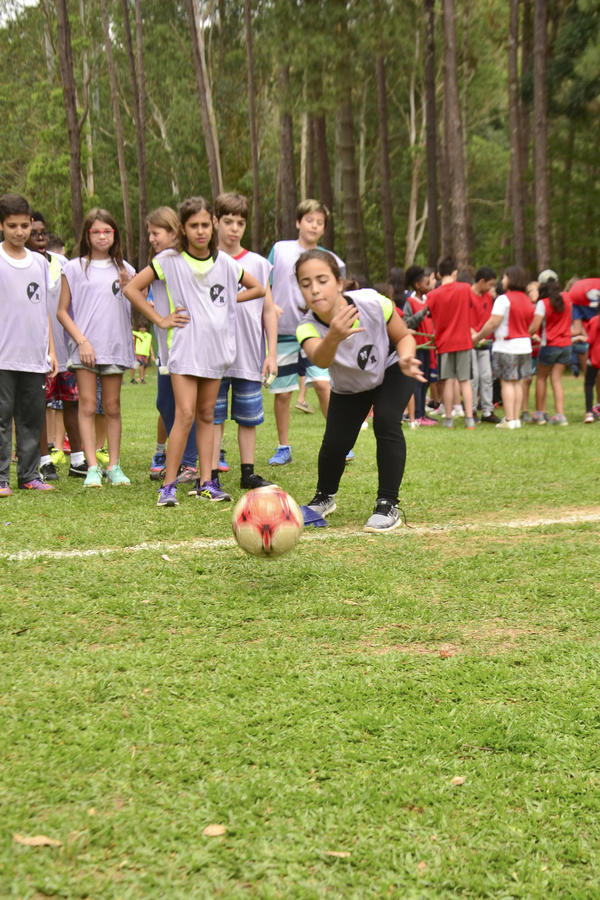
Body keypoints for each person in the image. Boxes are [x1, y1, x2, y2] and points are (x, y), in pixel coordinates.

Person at [123, 195, 265, 507]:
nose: (200, 231)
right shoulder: (168, 262)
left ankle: (206, 482)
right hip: (185, 349)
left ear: (213, 225)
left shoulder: (227, 263)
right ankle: (169, 485)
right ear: (184, 229)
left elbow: (259, 288)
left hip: (217, 351)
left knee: (205, 415)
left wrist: (228, 302)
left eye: (205, 224)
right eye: (193, 226)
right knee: (184, 414)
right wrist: (160, 319)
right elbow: (132, 288)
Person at [295, 249, 424, 532]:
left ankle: (388, 504)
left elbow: (404, 336)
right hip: (351, 386)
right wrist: (334, 336)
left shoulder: (374, 303)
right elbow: (320, 359)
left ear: (339, 282)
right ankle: (324, 498)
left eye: (322, 280)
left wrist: (405, 357)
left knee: (387, 420)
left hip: (391, 369)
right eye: (306, 284)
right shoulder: (307, 326)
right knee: (335, 445)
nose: (314, 289)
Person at [57, 207, 135, 487]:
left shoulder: (126, 269)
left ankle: (113, 465)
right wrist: (82, 341)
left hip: (115, 347)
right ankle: (92, 467)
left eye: (107, 231)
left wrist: (130, 288)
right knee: (88, 405)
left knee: (112, 407)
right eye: (96, 232)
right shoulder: (74, 267)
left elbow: (135, 308)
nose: (102, 237)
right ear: (87, 235)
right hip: (85, 349)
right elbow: (62, 311)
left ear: (115, 234)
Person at [267, 199, 345, 466]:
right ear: (298, 222)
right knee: (284, 392)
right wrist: (270, 307)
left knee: (324, 385)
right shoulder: (280, 250)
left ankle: (339, 442)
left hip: (316, 331)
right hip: (285, 331)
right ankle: (283, 446)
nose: (314, 225)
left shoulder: (331, 259)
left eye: (319, 222)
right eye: (309, 220)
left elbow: (339, 294)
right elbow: (264, 282)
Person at [211, 192, 278, 490]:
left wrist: (271, 352)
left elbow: (268, 309)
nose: (234, 228)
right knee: (213, 417)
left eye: (240, 222)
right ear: (215, 222)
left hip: (249, 354)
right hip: (212, 355)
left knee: (249, 417)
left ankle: (248, 472)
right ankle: (209, 473)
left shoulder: (259, 264)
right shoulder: (206, 261)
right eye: (228, 221)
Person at [0, 192, 58, 496]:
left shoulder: (39, 262)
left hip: (33, 357)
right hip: (3, 357)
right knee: (1, 418)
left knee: (31, 418)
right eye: (13, 226)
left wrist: (50, 349)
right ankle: (1, 479)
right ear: (2, 225)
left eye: (25, 225)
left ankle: (29, 475)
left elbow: (43, 310)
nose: (20, 232)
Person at [26, 211, 87, 479]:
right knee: (38, 405)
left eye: (43, 233)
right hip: (37, 350)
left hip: (65, 348)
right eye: (34, 232)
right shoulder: (22, 264)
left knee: (72, 403)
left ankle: (77, 458)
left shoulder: (62, 263)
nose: (40, 238)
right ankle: (43, 459)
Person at [144, 206, 199, 485]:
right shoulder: (165, 259)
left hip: (178, 346)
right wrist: (158, 317)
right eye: (150, 234)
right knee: (170, 404)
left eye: (156, 233)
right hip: (168, 350)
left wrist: (162, 320)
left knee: (177, 406)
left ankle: (188, 463)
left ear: (172, 231)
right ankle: (184, 461)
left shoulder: (168, 258)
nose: (152, 239)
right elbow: (138, 290)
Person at [471, 265, 533, 429]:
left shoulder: (503, 299)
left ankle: (509, 419)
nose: (502, 281)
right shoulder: (527, 300)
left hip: (506, 345)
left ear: (511, 279)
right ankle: (516, 418)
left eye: (504, 277)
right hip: (524, 346)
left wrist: (477, 337)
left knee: (507, 382)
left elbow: (493, 323)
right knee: (518, 382)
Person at [425, 257, 475, 428]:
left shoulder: (432, 295)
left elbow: (429, 316)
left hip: (444, 342)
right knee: (464, 380)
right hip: (464, 341)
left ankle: (448, 418)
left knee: (447, 380)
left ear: (438, 274)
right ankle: (469, 418)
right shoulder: (465, 289)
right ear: (455, 272)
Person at [528, 272, 572, 425]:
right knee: (557, 379)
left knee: (541, 378)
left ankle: (540, 414)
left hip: (550, 345)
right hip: (566, 344)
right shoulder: (567, 298)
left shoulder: (543, 303)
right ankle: (560, 415)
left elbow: (535, 326)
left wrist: (525, 334)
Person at [404, 265, 437, 426]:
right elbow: (407, 323)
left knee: (426, 381)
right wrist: (423, 312)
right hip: (417, 347)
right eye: (426, 283)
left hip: (428, 347)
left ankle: (423, 413)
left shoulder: (427, 300)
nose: (428, 286)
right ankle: (417, 415)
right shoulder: (410, 302)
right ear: (417, 285)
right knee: (417, 382)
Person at [470, 266, 500, 424]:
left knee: (487, 376)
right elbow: (462, 317)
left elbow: (490, 318)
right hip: (470, 343)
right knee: (473, 377)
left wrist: (483, 335)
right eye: (489, 284)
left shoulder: (488, 297)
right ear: (481, 281)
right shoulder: (467, 295)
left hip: (485, 343)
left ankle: (488, 410)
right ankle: (472, 409)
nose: (491, 288)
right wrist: (473, 334)